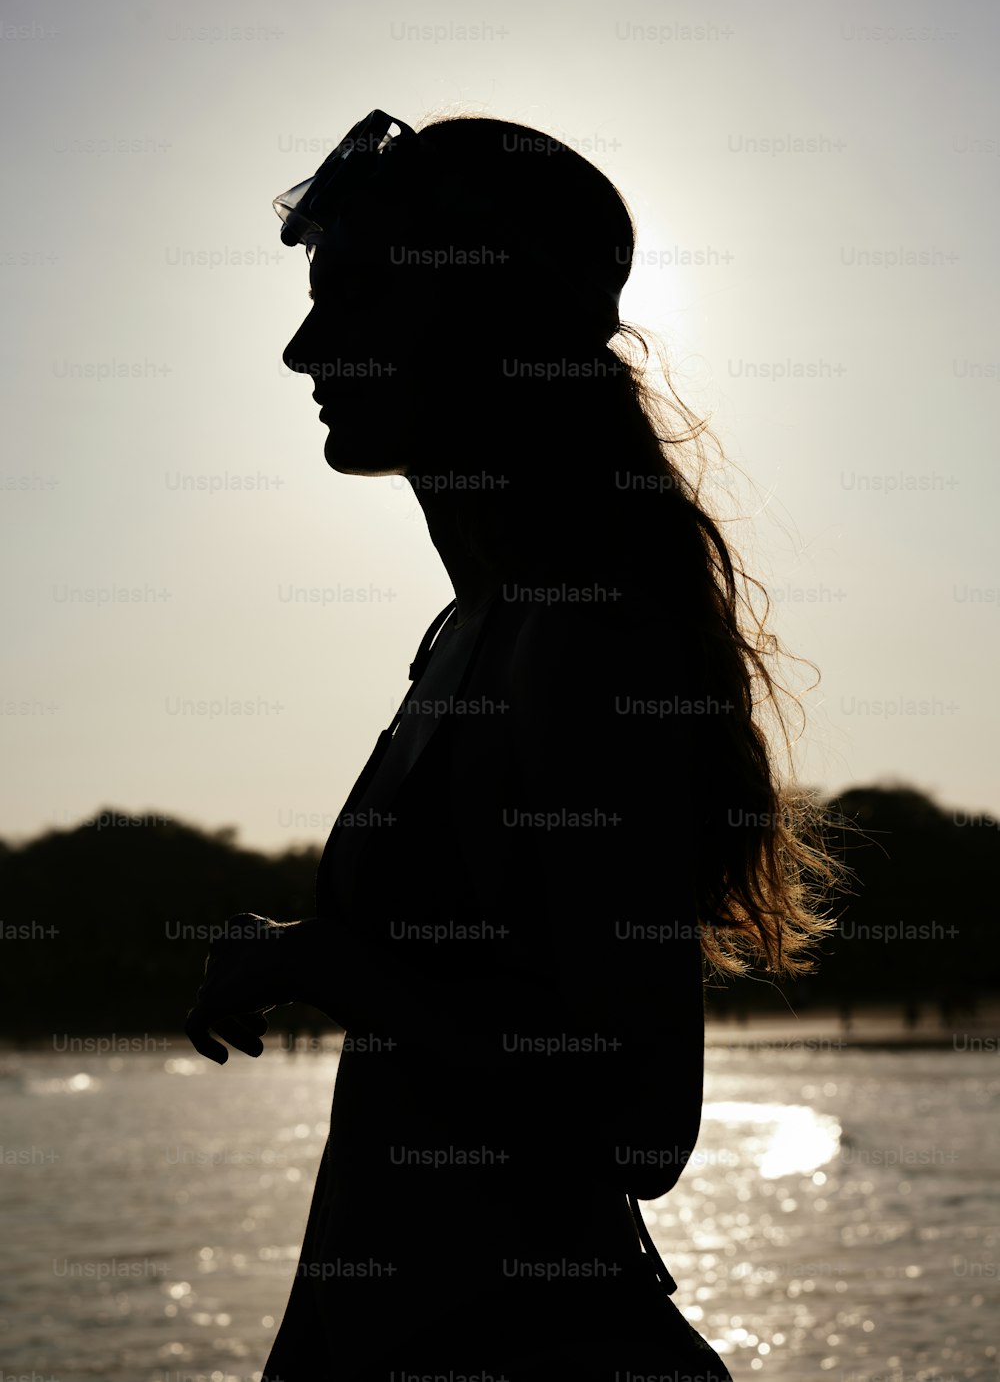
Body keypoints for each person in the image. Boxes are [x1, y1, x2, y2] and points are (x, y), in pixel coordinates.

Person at [185, 111, 848, 1380]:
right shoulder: (469, 633)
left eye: (348, 302)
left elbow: (640, 1117)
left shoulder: (582, 641)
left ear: (467, 327)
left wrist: (329, 959)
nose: (298, 349)